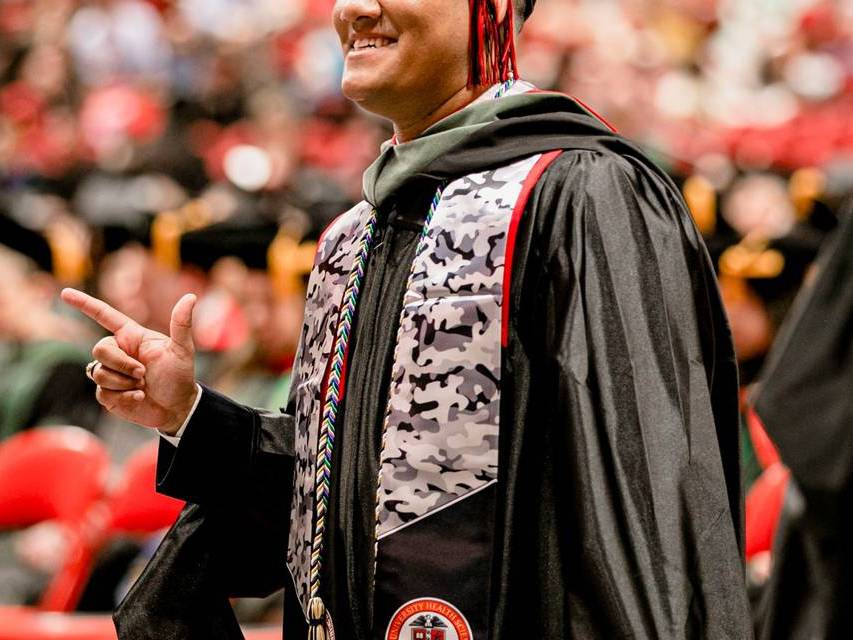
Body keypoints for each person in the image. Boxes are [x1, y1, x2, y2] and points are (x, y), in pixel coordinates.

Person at [62, 0, 752, 637]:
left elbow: (645, 522)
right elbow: (335, 507)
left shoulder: (583, 197)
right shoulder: (352, 239)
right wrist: (189, 413)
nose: (355, 9)